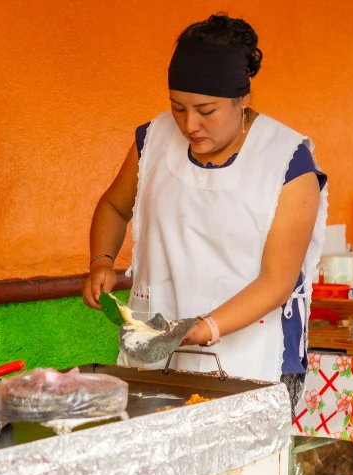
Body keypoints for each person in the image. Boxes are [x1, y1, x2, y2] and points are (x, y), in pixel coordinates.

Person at [83, 14, 328, 418]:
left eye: (206, 110)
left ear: (242, 99)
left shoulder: (288, 161)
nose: (189, 124)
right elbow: (113, 206)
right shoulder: (154, 140)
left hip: (255, 362)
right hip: (158, 358)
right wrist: (101, 262)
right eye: (177, 108)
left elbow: (277, 281)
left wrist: (205, 328)